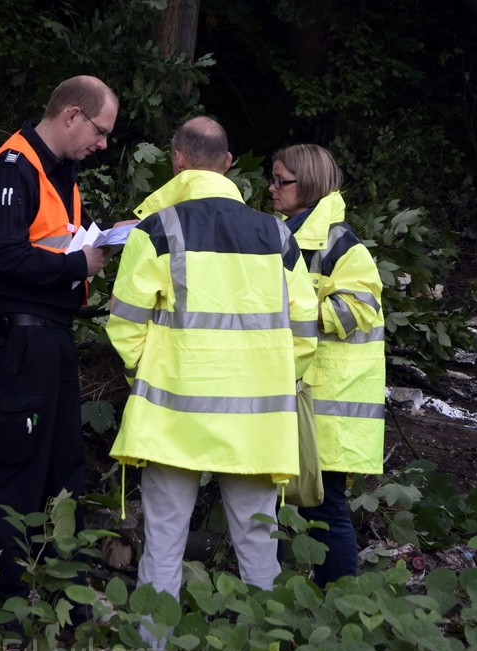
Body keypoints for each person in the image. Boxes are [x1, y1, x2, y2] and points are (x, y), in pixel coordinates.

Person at [107, 116, 319, 610]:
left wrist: (150, 377)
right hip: (256, 425)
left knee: (161, 550)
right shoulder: (278, 235)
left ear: (177, 160)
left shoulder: (157, 229)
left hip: (172, 421)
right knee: (259, 553)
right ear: (227, 164)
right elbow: (305, 329)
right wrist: (275, 380)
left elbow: (125, 325)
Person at [0, 75, 116, 605]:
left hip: (51, 336)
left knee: (61, 465)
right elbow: (5, 257)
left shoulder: (60, 172)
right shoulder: (13, 168)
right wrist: (80, 262)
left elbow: (44, 246)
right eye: (99, 131)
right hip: (20, 339)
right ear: (72, 115)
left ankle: (57, 592)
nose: (102, 144)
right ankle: (4, 601)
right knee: (17, 464)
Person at [269, 143, 386, 587]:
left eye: (283, 181)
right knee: (279, 503)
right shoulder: (287, 234)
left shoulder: (341, 243)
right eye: (274, 179)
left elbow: (358, 308)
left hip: (329, 406)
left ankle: (340, 601)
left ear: (311, 184)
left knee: (325, 507)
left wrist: (294, 310)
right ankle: (290, 598)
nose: (273, 188)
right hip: (301, 398)